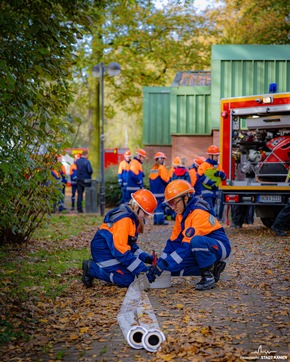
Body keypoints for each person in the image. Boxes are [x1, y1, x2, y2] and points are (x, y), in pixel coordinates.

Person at [146, 180, 231, 291]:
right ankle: (213, 267)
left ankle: (208, 278)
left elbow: (186, 245)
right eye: (170, 204)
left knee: (196, 241)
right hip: (199, 247)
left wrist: (166, 262)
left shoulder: (199, 213)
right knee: (171, 268)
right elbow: (173, 242)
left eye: (174, 203)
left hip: (220, 246)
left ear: (185, 198)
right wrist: (160, 263)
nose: (172, 207)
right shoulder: (181, 215)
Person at [81, 189, 158, 288]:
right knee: (128, 280)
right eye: (145, 213)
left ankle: (100, 266)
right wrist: (143, 269)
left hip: (110, 250)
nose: (146, 217)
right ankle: (91, 268)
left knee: (135, 274)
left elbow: (131, 247)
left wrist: (147, 258)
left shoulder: (132, 218)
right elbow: (121, 252)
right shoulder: (125, 220)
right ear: (136, 207)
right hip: (103, 252)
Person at [195, 145, 226, 212]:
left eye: (218, 155)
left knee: (213, 207)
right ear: (210, 156)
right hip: (206, 190)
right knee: (209, 207)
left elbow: (224, 177)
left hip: (215, 191)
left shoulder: (218, 166)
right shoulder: (204, 165)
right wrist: (210, 183)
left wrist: (220, 174)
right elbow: (200, 176)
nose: (217, 157)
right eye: (216, 156)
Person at [149, 151, 170, 225]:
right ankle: (160, 220)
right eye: (164, 159)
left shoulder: (153, 169)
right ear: (161, 160)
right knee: (160, 206)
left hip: (154, 191)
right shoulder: (162, 168)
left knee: (156, 206)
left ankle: (156, 220)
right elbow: (166, 180)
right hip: (160, 191)